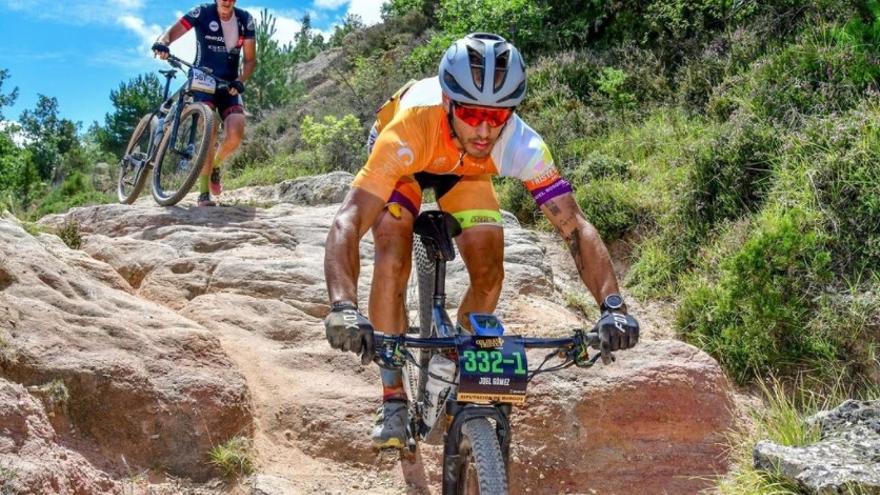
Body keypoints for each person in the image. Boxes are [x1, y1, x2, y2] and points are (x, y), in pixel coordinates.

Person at [323, 33, 640, 449]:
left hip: (466, 171)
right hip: (408, 164)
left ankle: (451, 358)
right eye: (471, 112)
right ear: (449, 103)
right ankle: (393, 397)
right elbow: (347, 220)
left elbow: (575, 227)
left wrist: (612, 306)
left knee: (490, 271)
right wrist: (343, 307)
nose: (485, 128)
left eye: (499, 114)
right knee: (392, 251)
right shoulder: (409, 129)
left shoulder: (520, 144)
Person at [151, 0, 256, 207]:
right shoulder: (202, 12)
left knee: (235, 133)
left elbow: (250, 60)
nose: (227, 1)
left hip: (229, 84)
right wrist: (164, 43)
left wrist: (240, 81)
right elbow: (171, 32)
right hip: (202, 78)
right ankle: (203, 192)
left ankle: (216, 165)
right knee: (210, 129)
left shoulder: (246, 20)